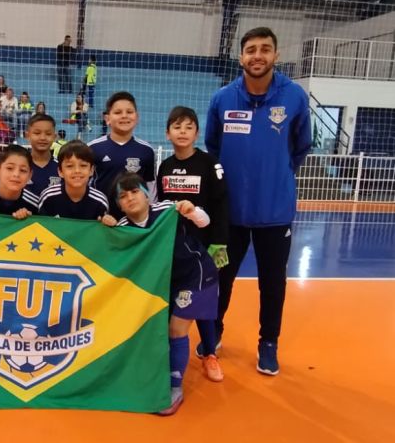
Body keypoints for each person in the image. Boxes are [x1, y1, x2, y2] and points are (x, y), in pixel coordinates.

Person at [204, 27, 312, 376]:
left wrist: (276, 173)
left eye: (265, 49)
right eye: (251, 50)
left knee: (273, 283)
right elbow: (214, 147)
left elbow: (301, 146)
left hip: (275, 211)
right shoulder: (222, 99)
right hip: (229, 213)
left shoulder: (294, 96)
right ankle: (213, 330)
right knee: (220, 277)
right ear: (241, 57)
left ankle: (269, 343)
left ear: (276, 56)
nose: (258, 56)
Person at [109, 172, 217, 415]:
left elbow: (205, 222)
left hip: (195, 275)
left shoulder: (168, 210)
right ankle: (155, 376)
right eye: (123, 196)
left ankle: (175, 388)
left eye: (135, 192)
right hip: (163, 283)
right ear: (118, 205)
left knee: (176, 331)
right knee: (153, 328)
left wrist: (192, 210)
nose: (130, 198)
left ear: (147, 195)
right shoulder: (123, 228)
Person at [157, 106, 228, 382]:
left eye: (188, 127)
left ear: (197, 133)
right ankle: (169, 353)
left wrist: (220, 244)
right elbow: (161, 207)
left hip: (207, 247)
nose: (182, 132)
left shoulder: (211, 164)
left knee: (204, 303)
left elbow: (222, 206)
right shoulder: (165, 167)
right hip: (174, 249)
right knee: (178, 301)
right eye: (177, 127)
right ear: (167, 133)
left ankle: (209, 353)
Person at [88, 91, 156, 219]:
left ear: (137, 117)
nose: (124, 116)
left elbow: (150, 188)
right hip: (100, 219)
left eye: (129, 112)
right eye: (118, 112)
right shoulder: (93, 148)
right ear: (107, 119)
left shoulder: (146, 150)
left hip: (134, 221)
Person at [38, 140, 110, 221]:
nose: (77, 171)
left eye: (83, 165)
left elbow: (102, 232)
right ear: (60, 171)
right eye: (69, 166)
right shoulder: (48, 197)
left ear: (91, 170)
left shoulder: (100, 201)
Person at [25, 113, 60, 195]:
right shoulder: (19, 167)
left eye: (48, 134)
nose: (43, 138)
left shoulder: (61, 167)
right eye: (37, 133)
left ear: (54, 137)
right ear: (27, 136)